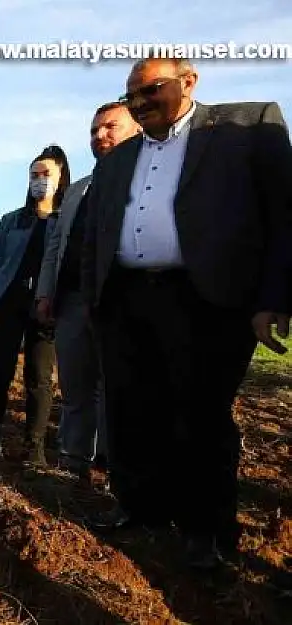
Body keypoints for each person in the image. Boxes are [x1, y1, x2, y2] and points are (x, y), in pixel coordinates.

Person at [81, 58, 292, 569]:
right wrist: (97, 299)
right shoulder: (117, 159)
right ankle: (141, 508)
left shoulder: (248, 126)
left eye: (150, 90)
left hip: (206, 299)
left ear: (189, 80)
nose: (139, 103)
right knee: (132, 412)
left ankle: (207, 531)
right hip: (128, 299)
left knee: (199, 416)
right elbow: (98, 231)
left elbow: (284, 214)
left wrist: (274, 297)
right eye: (131, 96)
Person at [35, 103, 140, 479]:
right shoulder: (78, 192)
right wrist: (45, 293)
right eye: (95, 130)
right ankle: (73, 462)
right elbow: (54, 247)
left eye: (111, 127)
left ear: (137, 128)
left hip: (122, 302)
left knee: (120, 391)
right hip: (72, 302)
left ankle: (117, 471)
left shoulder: (144, 181)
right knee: (76, 388)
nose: (100, 136)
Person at [0, 145, 70, 465]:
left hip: (46, 306)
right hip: (9, 302)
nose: (39, 180)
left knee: (39, 377)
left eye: (46, 174)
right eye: (34, 175)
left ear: (61, 178)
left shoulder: (66, 220)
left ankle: (35, 449)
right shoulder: (12, 220)